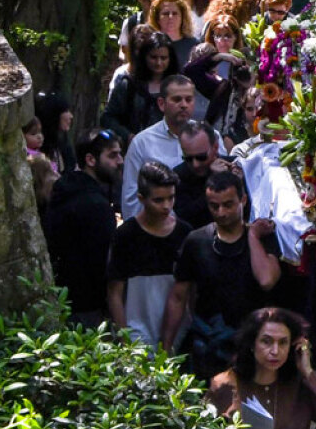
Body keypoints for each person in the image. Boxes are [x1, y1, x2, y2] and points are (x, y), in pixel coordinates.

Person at [164, 170, 281, 368]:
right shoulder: (196, 241)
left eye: (228, 204)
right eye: (214, 206)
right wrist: (165, 348)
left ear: (243, 200)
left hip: (253, 343)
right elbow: (178, 296)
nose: (221, 212)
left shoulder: (262, 238)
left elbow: (267, 280)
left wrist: (252, 236)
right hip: (209, 343)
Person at [42, 128, 123, 327]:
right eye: (112, 155)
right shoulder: (94, 206)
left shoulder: (65, 190)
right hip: (86, 309)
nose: (120, 161)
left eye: (120, 154)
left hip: (62, 301)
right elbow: (102, 264)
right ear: (90, 160)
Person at [105, 161, 191, 347]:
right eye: (158, 200)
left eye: (171, 198)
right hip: (136, 333)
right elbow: (114, 293)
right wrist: (124, 339)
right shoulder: (125, 236)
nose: (167, 206)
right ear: (141, 198)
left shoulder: (185, 233)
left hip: (179, 333)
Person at [120, 77, 196, 219]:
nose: (184, 105)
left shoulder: (210, 137)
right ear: (161, 103)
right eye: (177, 99)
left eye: (188, 99)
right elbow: (131, 198)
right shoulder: (142, 143)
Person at [103, 28, 172, 140]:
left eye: (163, 58)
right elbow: (108, 118)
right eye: (153, 57)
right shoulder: (128, 84)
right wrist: (128, 136)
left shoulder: (176, 84)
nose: (158, 63)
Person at [166, 121, 220, 229]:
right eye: (188, 158)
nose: (195, 164)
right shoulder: (177, 176)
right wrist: (216, 180)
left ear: (215, 147)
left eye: (201, 157)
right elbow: (187, 217)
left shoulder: (233, 167)